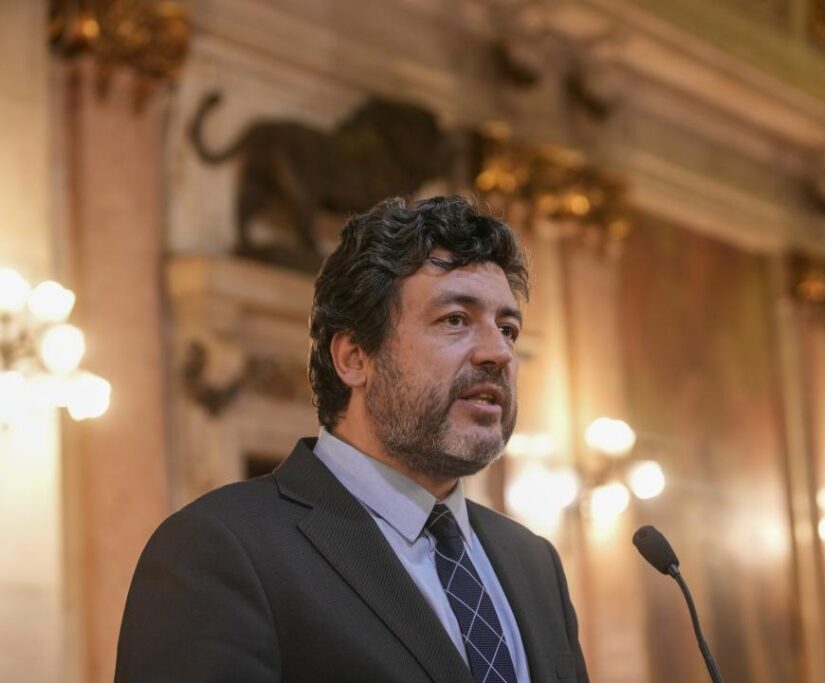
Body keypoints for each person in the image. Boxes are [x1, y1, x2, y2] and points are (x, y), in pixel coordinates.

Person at [115, 196, 589, 683]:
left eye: (507, 329)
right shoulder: (221, 549)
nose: (499, 353)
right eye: (455, 320)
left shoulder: (534, 563)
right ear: (354, 358)